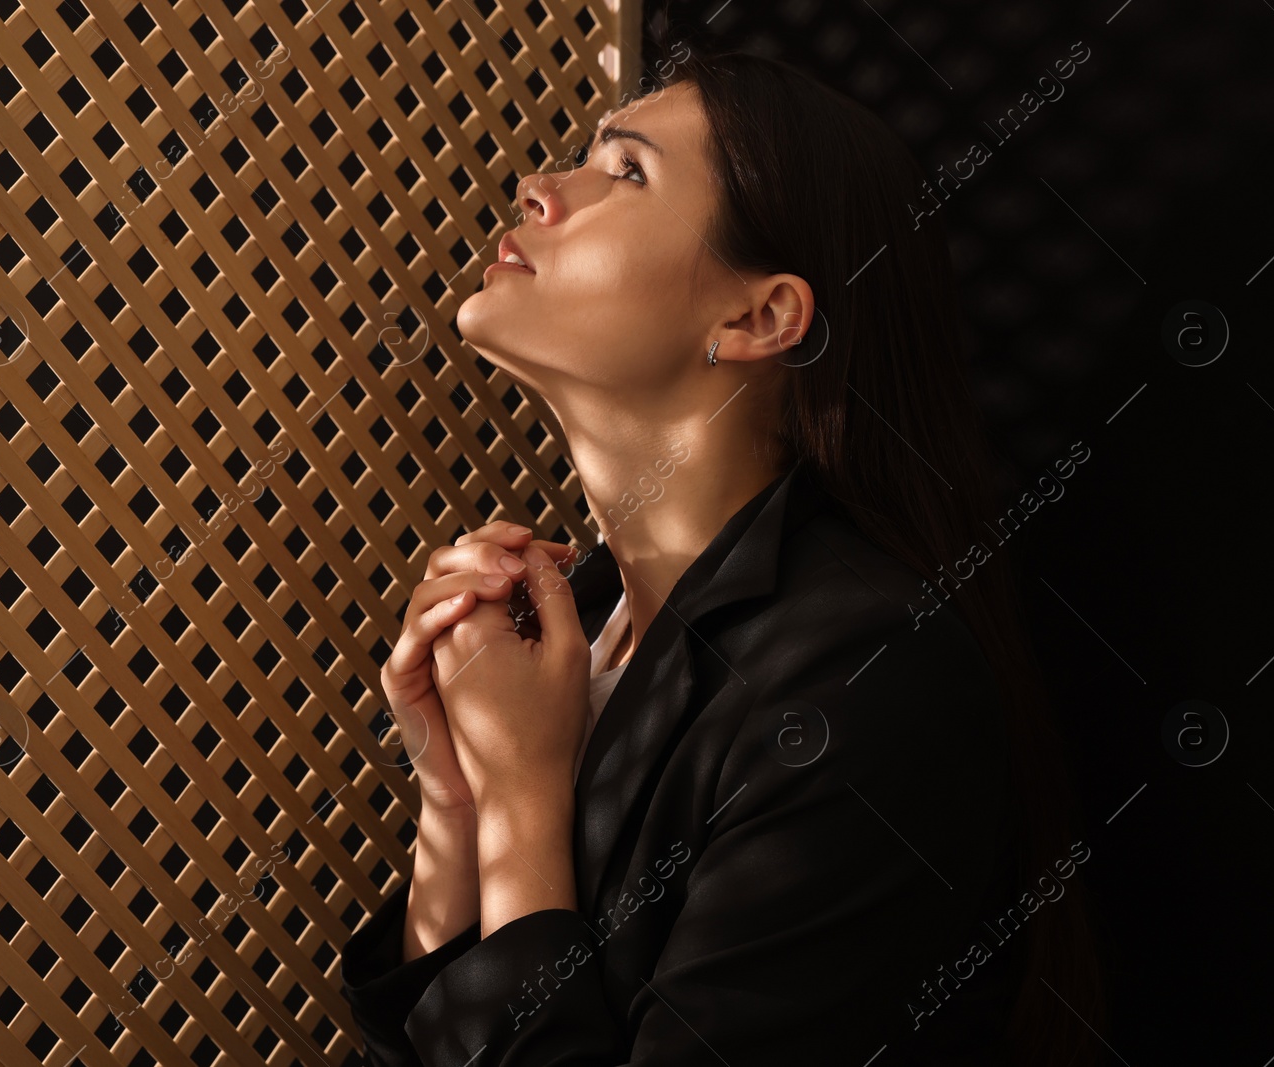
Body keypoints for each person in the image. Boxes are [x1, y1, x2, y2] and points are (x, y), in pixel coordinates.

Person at [340, 40, 1106, 1067]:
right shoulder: (581, 617)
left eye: (624, 171)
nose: (539, 187)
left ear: (759, 314)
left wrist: (523, 796)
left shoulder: (861, 682)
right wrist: (457, 800)